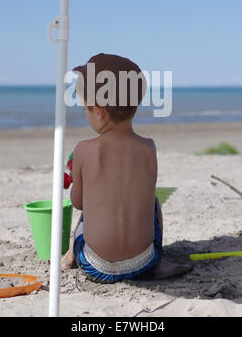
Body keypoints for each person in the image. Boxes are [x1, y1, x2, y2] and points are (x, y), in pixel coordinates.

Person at [61, 53, 193, 282]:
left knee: (86, 214)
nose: (86, 115)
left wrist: (76, 176)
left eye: (85, 110)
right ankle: (160, 261)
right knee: (153, 203)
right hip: (144, 263)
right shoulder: (148, 147)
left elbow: (78, 202)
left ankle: (71, 256)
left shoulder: (84, 149)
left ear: (99, 111)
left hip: (96, 266)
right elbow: (142, 195)